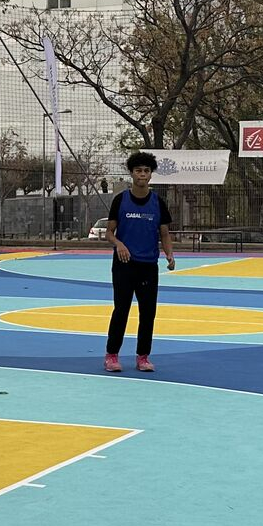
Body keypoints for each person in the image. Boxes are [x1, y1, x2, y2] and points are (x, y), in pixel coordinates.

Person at [105, 151, 177, 373]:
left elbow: (164, 233)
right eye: (138, 171)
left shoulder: (157, 202)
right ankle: (111, 355)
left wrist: (169, 254)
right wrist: (119, 244)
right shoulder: (121, 200)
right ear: (132, 173)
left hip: (148, 266)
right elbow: (108, 232)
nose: (142, 175)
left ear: (151, 175)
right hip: (124, 265)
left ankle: (143, 357)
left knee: (148, 313)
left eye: (146, 171)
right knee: (121, 310)